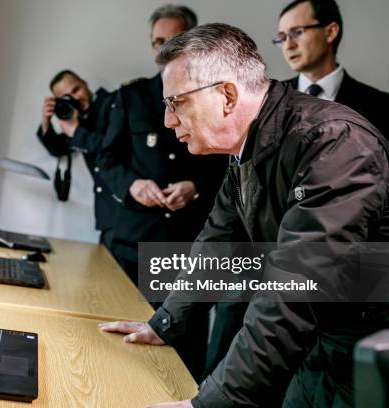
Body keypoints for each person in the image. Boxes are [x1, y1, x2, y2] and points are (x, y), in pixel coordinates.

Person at [101, 23, 389, 407]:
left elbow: (295, 285)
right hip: (316, 346)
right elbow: (217, 244)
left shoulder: (335, 141)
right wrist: (165, 324)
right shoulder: (248, 150)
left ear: (227, 95)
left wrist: (210, 402)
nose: (169, 121)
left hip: (366, 357)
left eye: (176, 103)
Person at [96, 4, 228, 382]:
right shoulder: (133, 96)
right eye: (158, 41)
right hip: (130, 242)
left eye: (174, 39)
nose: (164, 47)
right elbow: (107, 160)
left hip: (185, 247)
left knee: (178, 354)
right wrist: (133, 185)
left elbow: (227, 162)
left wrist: (197, 187)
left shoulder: (217, 98)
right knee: (116, 348)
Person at [276, 0, 389, 137]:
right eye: (282, 38)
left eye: (297, 32)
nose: (288, 46)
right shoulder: (270, 101)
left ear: (330, 32)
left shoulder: (381, 106)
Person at [37, 70, 117, 252]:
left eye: (76, 89)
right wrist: (46, 122)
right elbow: (57, 149)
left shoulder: (114, 103)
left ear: (84, 82)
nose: (75, 97)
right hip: (106, 216)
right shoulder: (78, 119)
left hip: (128, 212)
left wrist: (74, 130)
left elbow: (109, 148)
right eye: (67, 97)